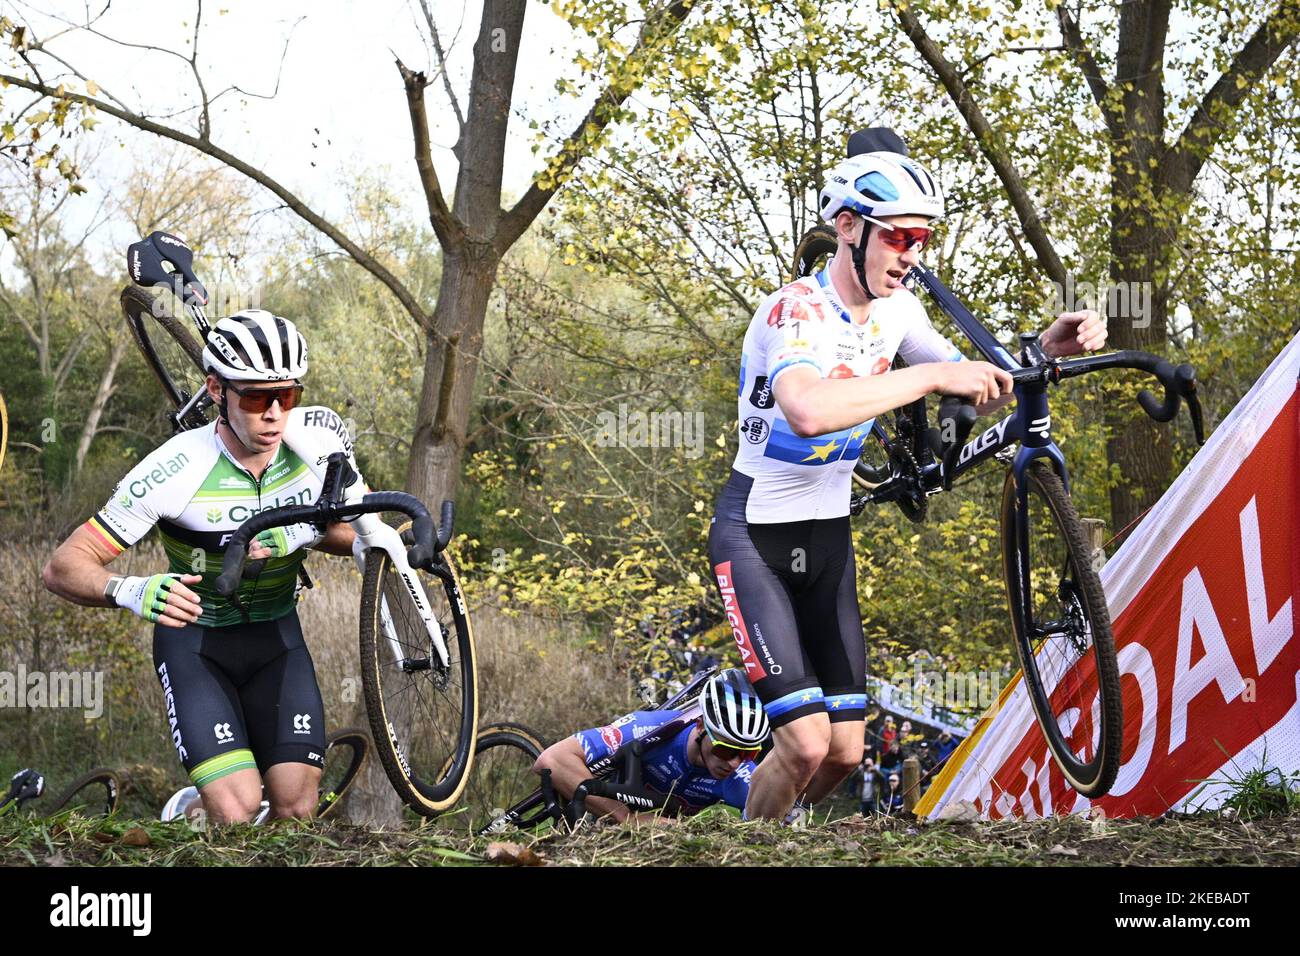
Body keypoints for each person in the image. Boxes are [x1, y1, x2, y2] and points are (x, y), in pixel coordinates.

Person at [708, 126, 1109, 822]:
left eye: (922, 238)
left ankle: (769, 838)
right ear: (847, 228)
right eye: (898, 237)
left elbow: (972, 374)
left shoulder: (899, 310)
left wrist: (1044, 344)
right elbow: (806, 409)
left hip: (827, 539)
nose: (912, 253)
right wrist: (924, 374)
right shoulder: (794, 311)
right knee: (803, 745)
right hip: (755, 540)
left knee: (843, 753)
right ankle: (748, 851)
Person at [43, 310, 385, 825]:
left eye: (286, 397)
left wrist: (303, 530)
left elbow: (350, 531)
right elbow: (63, 566)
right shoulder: (174, 468)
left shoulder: (308, 450)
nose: (272, 413)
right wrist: (130, 589)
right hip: (197, 643)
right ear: (216, 391)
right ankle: (196, 808)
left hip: (277, 639)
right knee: (238, 807)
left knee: (297, 804)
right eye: (253, 397)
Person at [532, 669, 770, 822]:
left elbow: (772, 824)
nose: (734, 762)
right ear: (700, 726)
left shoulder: (740, 775)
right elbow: (551, 760)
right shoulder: (648, 727)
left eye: (748, 753)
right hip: (610, 813)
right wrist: (627, 818)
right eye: (725, 749)